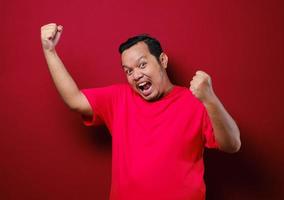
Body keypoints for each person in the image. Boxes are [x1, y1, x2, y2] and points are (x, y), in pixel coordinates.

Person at [40, 23, 241, 200]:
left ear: (162, 60)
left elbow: (232, 144)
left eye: (142, 64)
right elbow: (75, 100)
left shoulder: (196, 100)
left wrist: (210, 99)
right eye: (128, 70)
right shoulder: (118, 99)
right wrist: (50, 50)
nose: (136, 75)